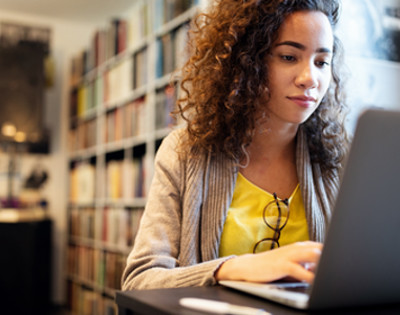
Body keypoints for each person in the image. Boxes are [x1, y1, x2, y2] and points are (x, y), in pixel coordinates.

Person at [122, 0, 348, 290]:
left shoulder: (339, 160)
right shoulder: (183, 152)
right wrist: (233, 269)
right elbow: (138, 280)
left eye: (321, 62)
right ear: (246, 60)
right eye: (289, 57)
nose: (310, 79)